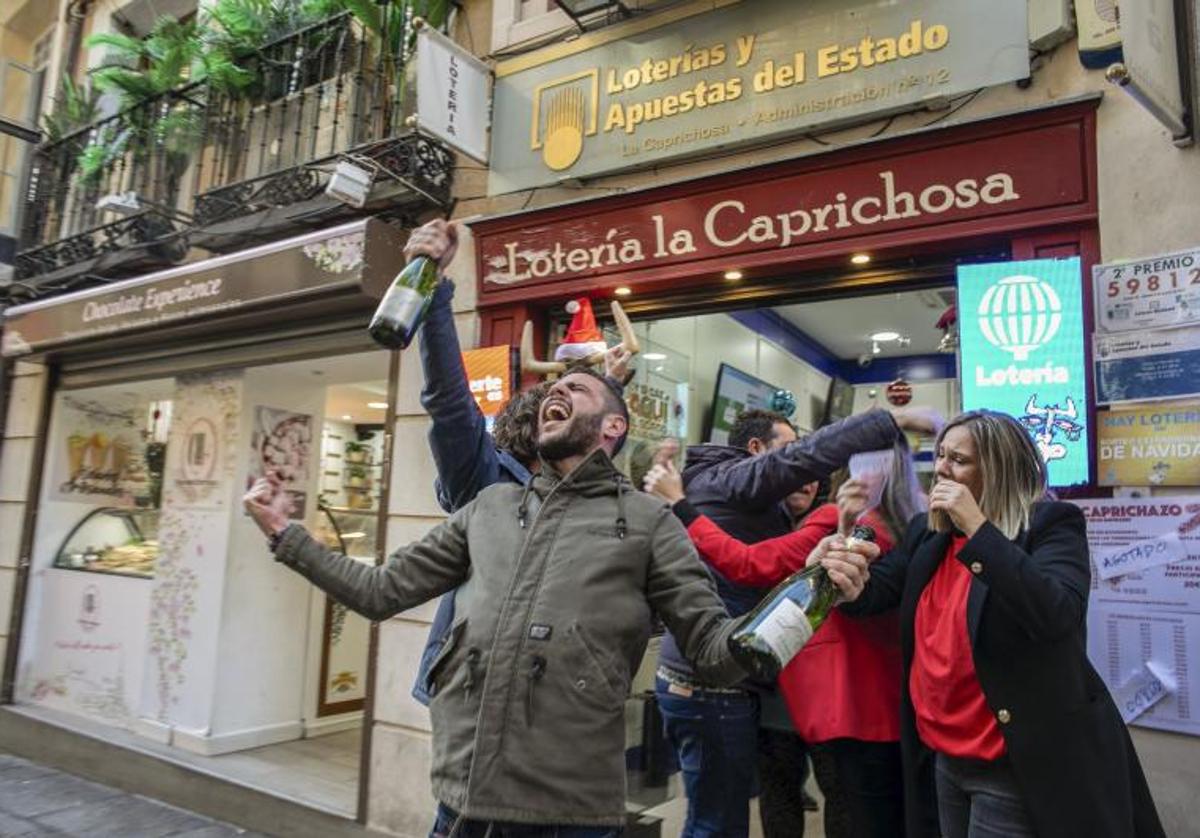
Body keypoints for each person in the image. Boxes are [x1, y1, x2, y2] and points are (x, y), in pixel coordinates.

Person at [245, 368, 872, 836]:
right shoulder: (487, 509)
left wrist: (808, 592)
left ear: (613, 426)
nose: (555, 391)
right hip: (460, 801)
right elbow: (379, 592)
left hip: (569, 810)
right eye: (553, 388)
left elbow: (714, 650)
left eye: (575, 387)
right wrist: (286, 534)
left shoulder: (651, 521)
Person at [810, 409, 1166, 838]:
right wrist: (843, 575)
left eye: (959, 460)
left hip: (1009, 758)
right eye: (941, 456)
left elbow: (1056, 616)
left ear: (997, 469)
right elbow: (876, 593)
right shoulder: (928, 532)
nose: (941, 468)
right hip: (942, 753)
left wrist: (978, 527)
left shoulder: (1050, 525)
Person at [653, 405, 943, 838]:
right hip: (828, 690)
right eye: (792, 454)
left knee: (792, 799)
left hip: (818, 689)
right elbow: (753, 564)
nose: (806, 468)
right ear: (758, 451)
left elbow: (768, 566)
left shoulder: (846, 519)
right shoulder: (912, 521)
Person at [407, 219, 632, 705]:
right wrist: (434, 288)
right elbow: (448, 400)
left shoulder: (570, 490)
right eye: (561, 408)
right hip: (475, 696)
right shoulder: (482, 481)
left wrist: (609, 395)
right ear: (540, 433)